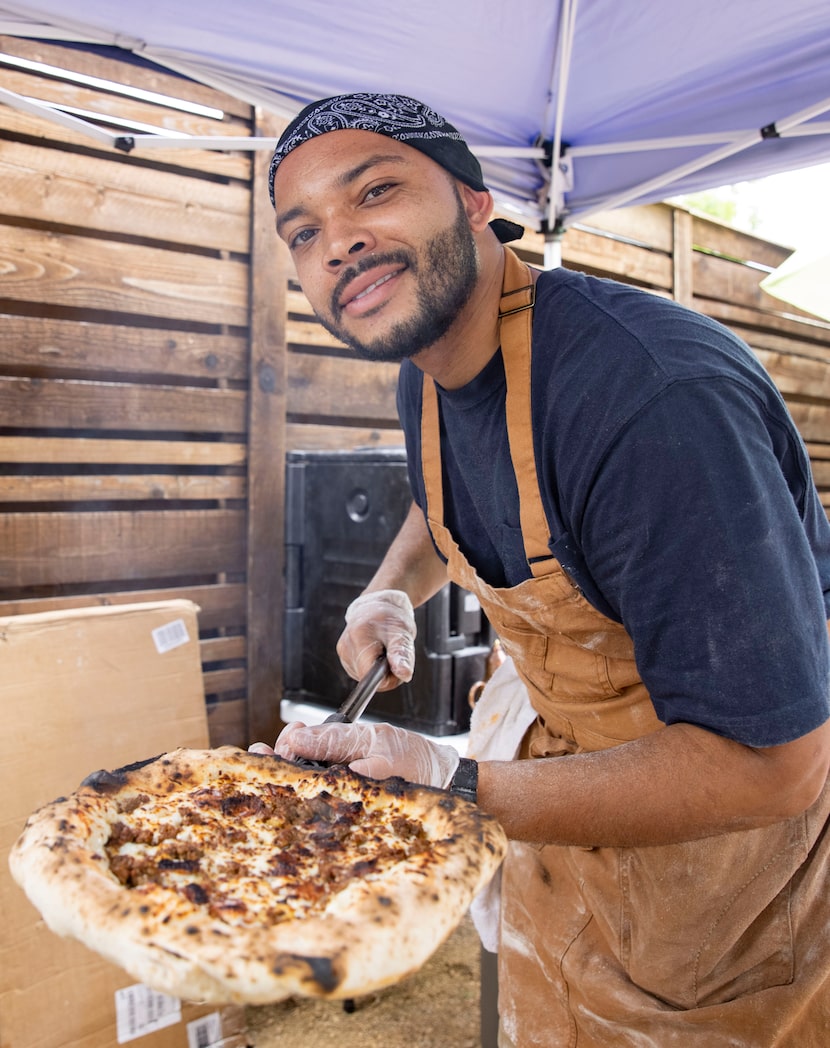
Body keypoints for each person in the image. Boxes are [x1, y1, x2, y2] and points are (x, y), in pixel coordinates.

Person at [254, 92, 830, 1046]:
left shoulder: (653, 404)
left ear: (476, 202)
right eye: (303, 231)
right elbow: (443, 499)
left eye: (376, 193)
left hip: (726, 872)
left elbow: (775, 770)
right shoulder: (429, 363)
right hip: (566, 808)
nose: (339, 243)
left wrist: (453, 780)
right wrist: (391, 587)